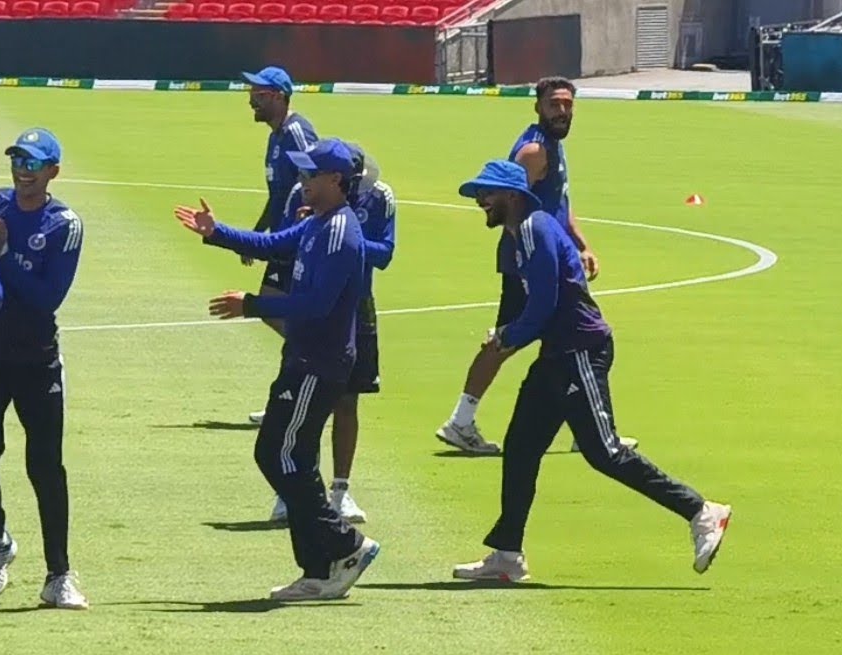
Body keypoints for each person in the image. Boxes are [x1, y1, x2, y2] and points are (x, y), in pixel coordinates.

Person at [448, 160, 732, 582]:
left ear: (510, 196)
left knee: (605, 452)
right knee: (522, 446)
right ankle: (507, 554)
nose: (480, 202)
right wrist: (506, 332)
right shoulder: (515, 239)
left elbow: (544, 304)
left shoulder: (536, 230)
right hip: (557, 354)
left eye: (485, 194)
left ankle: (701, 511)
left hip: (581, 350)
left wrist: (507, 337)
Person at [174, 139, 381, 602]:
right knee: (291, 457)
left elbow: (315, 304)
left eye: (311, 175)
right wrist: (216, 232)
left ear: (336, 181)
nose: (303, 181)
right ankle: (320, 568)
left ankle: (346, 545)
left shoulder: (337, 232)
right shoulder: (317, 223)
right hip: (305, 359)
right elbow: (270, 244)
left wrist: (250, 304)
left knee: (279, 455)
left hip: (318, 363)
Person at [435, 77, 637, 455]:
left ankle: (588, 426)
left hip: (553, 259)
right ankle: (462, 421)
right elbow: (512, 204)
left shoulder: (553, 146)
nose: (561, 111)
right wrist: (535, 262)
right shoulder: (533, 151)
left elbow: (560, 200)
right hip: (531, 264)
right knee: (536, 338)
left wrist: (581, 244)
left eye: (567, 105)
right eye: (554, 104)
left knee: (564, 341)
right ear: (538, 107)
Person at [0, 128, 88, 610]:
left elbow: (46, 298)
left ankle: (59, 574)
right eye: (17, 160)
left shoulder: (64, 223)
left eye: (33, 162)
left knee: (45, 465)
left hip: (35, 357)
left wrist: (3, 255)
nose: (23, 169)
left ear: (53, 170)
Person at [266, 142, 396, 525]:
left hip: (356, 305)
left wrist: (342, 235)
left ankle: (341, 490)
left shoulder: (380, 197)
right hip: (315, 300)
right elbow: (286, 242)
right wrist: (315, 225)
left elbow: (385, 252)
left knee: (347, 401)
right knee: (307, 403)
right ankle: (293, 490)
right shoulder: (304, 191)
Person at [239, 65, 318, 341]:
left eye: (258, 95)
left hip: (298, 240)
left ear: (277, 97)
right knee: (272, 306)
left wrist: (309, 220)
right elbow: (278, 194)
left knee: (271, 304)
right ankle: (308, 352)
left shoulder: (296, 132)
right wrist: (257, 234)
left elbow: (316, 175)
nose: (251, 102)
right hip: (282, 237)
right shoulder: (275, 137)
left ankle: (311, 354)